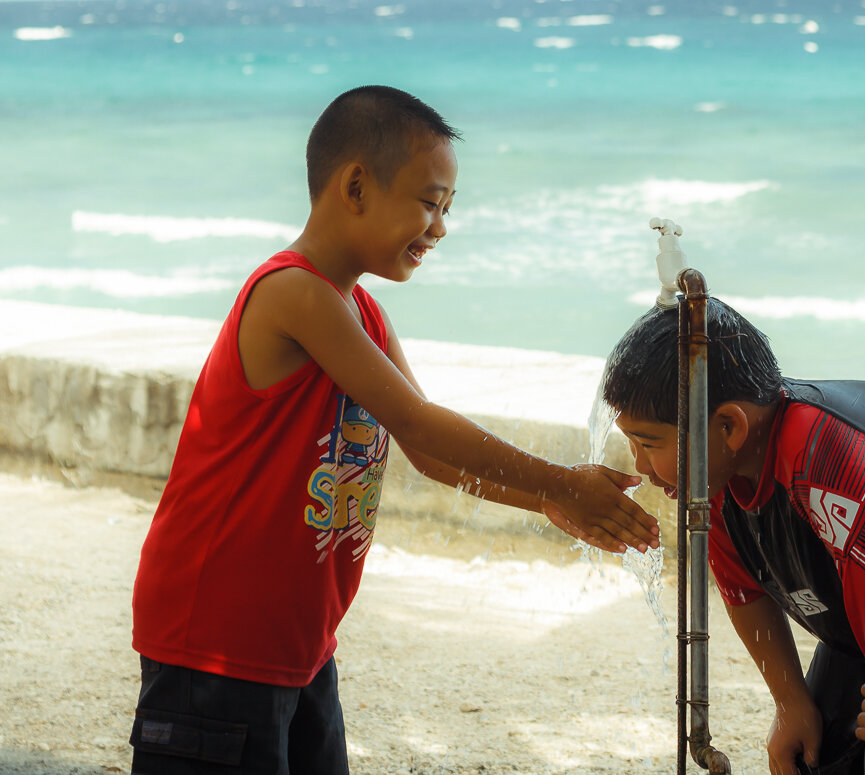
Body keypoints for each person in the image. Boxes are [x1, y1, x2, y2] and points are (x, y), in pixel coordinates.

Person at [128, 86, 659, 774]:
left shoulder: (362, 313)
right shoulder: (294, 293)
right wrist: (562, 482)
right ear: (354, 185)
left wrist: (549, 502)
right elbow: (420, 423)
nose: (440, 227)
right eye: (430, 202)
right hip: (215, 642)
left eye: (447, 209)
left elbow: (426, 452)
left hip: (299, 645)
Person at [601, 298, 865, 775]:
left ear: (729, 426)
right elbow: (744, 591)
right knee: (808, 755)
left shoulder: (831, 468)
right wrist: (790, 701)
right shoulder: (717, 471)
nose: (639, 465)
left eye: (647, 444)